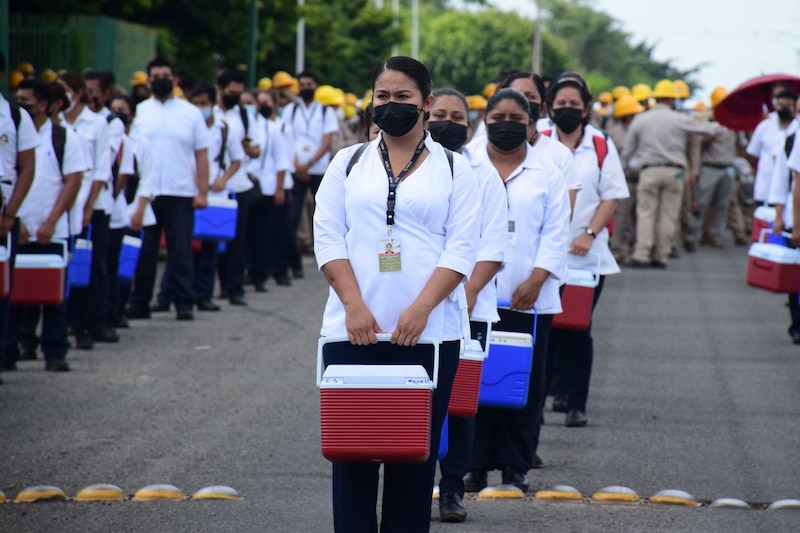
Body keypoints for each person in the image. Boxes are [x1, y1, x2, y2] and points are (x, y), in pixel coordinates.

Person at [314, 56, 480, 533]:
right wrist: (354, 307)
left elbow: (462, 247)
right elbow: (327, 237)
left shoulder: (454, 168)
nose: (391, 106)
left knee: (413, 459)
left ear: (426, 103)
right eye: (382, 97)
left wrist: (421, 310)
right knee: (352, 459)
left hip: (430, 335)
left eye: (403, 97)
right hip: (352, 330)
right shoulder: (346, 163)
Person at [467, 88, 570, 493]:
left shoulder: (548, 174)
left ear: (531, 125)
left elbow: (556, 233)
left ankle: (516, 465)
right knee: (475, 382)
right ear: (485, 121)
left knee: (525, 383)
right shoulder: (466, 166)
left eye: (516, 119)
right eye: (498, 119)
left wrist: (537, 279)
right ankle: (473, 464)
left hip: (531, 298)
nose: (506, 126)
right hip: (475, 297)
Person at [428, 88, 507, 523]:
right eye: (439, 113)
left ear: (469, 122)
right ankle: (414, 484)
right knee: (415, 400)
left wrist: (464, 294)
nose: (448, 121)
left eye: (457, 116)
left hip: (469, 307)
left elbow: (492, 246)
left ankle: (452, 488)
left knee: (459, 406)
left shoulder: (484, 174)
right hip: (413, 309)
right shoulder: (412, 168)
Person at [542, 76, 629, 427]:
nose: (567, 110)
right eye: (560, 105)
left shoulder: (601, 144)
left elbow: (612, 195)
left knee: (578, 327)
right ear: (549, 107)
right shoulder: (540, 142)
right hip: (547, 252)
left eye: (574, 106)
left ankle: (577, 401)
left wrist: (590, 233)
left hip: (586, 253)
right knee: (546, 328)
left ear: (586, 109)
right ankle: (542, 399)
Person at [8, 79, 86, 372]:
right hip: (17, 226)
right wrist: (15, 220)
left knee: (54, 294)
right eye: (19, 99)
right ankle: (13, 348)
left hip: (53, 228)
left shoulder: (63, 138)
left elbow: (73, 181)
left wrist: (51, 221)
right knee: (14, 293)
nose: (22, 104)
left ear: (43, 105)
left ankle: (54, 351)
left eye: (28, 100)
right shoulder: (11, 136)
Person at [126, 57, 210, 321]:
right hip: (146, 193)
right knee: (145, 250)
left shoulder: (190, 112)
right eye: (156, 75)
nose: (160, 79)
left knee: (181, 250)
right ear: (149, 80)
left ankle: (183, 302)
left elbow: (202, 155)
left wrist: (203, 191)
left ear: (174, 79)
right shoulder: (139, 112)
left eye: (165, 75)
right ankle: (140, 301)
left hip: (181, 191)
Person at [621, 79, 718, 268]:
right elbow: (708, 129)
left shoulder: (642, 119)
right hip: (675, 172)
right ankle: (662, 254)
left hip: (649, 171)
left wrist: (624, 169)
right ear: (672, 100)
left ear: (656, 98)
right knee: (668, 214)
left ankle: (642, 253)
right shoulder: (679, 119)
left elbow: (628, 149)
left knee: (646, 213)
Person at [58, 71, 115, 348]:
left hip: (93, 205)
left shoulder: (96, 124)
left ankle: (90, 324)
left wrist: (89, 206)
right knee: (66, 264)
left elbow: (102, 169)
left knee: (93, 266)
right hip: (62, 206)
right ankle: (65, 322)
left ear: (76, 93)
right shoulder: (55, 125)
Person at [0, 52, 38, 377]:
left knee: (2, 287)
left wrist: (11, 214)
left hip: (4, 212)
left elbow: (27, 169)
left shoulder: (15, 116)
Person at [211, 70, 261, 306]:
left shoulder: (243, 114)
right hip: (211, 185)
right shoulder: (209, 112)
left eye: (240, 92)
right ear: (220, 89)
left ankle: (234, 287)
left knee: (236, 239)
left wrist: (245, 148)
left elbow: (253, 147)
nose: (236, 96)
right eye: (232, 92)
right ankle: (206, 287)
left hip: (237, 184)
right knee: (211, 236)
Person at [284, 70, 339, 279]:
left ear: (315, 86)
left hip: (317, 168)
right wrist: (298, 164)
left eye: (309, 84)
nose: (306, 87)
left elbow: (326, 141)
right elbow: (286, 138)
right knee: (292, 216)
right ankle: (294, 263)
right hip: (296, 168)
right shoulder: (290, 110)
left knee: (324, 214)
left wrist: (309, 163)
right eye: (302, 84)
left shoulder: (325, 112)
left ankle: (327, 259)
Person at [253, 88, 294, 287]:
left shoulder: (278, 128)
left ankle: (280, 270)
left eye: (266, 102)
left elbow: (283, 160)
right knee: (257, 233)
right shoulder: (252, 127)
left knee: (277, 231)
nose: (262, 107)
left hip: (274, 185)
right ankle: (256, 271)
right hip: (254, 185)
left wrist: (280, 188)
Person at [689, 87, 739, 249]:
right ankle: (696, 234)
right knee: (702, 203)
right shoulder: (710, 124)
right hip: (710, 167)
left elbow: (741, 146)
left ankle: (715, 234)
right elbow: (699, 144)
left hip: (727, 168)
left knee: (722, 205)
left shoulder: (733, 123)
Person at [607, 94, 646, 263]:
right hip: (624, 180)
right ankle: (617, 250)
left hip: (641, 178)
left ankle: (635, 249)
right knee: (621, 218)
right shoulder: (615, 133)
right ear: (627, 116)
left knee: (639, 218)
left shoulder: (640, 130)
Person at [747, 89, 799, 206]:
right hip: (765, 189)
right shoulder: (764, 127)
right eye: (781, 105)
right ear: (775, 105)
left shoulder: (796, 130)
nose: (784, 108)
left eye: (788, 105)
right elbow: (753, 154)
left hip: (791, 191)